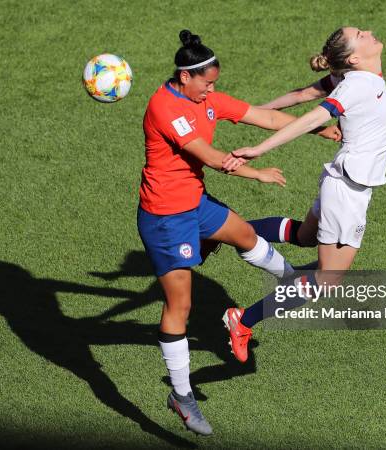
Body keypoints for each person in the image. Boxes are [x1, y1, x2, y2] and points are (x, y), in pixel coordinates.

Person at [138, 29, 340, 435]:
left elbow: (263, 116)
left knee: (246, 235)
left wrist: (318, 128)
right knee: (181, 306)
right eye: (207, 83)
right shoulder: (166, 107)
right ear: (185, 78)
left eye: (214, 83)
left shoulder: (206, 99)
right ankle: (181, 395)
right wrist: (257, 172)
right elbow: (211, 157)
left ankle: (289, 279)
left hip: (195, 202)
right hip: (165, 217)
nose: (212, 90)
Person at [222, 27, 386, 363]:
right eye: (361, 34)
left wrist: (249, 113)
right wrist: (260, 148)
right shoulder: (359, 84)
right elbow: (311, 116)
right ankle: (243, 320)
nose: (370, 31)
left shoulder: (358, 77)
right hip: (348, 190)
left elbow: (302, 94)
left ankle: (222, 231)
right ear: (355, 57)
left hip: (343, 182)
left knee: (304, 236)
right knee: (328, 280)